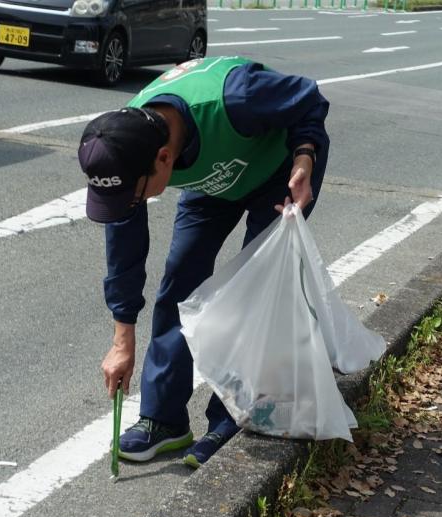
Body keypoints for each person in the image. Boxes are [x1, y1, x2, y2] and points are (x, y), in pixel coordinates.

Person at [77, 56, 330, 468]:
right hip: (214, 178)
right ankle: (165, 421)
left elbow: (309, 98)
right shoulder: (127, 151)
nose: (132, 205)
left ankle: (230, 418)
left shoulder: (237, 97)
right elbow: (124, 255)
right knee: (180, 282)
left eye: (135, 195)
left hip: (280, 172)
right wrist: (122, 339)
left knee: (253, 296)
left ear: (163, 158)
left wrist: (305, 156)